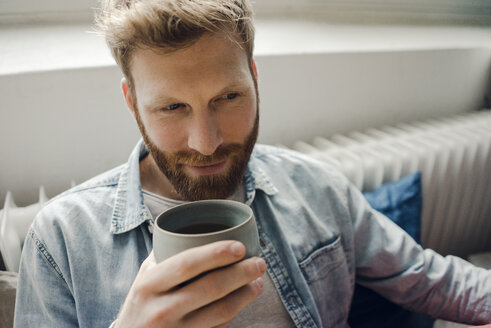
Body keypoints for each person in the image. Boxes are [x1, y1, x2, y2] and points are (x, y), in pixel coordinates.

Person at [14, 0, 491, 327]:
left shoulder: (317, 188)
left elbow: (430, 279)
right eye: (171, 108)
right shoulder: (61, 241)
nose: (206, 143)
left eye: (228, 96)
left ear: (255, 79)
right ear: (132, 102)